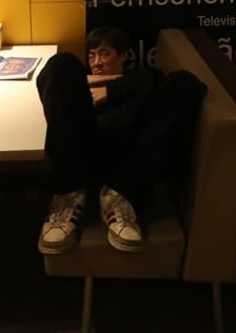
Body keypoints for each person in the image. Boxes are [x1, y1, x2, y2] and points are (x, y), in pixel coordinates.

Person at [35, 26, 206, 255]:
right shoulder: (80, 85)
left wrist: (111, 91)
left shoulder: (140, 81)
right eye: (92, 55)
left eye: (104, 54)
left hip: (129, 164)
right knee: (61, 63)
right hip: (83, 159)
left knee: (185, 83)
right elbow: (47, 83)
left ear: (124, 56)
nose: (97, 61)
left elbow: (161, 80)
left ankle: (120, 200)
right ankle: (68, 196)